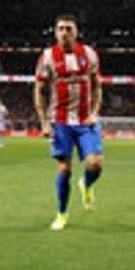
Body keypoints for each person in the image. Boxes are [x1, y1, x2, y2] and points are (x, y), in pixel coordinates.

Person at [34, 14, 103, 231]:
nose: (65, 32)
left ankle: (87, 184)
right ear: (55, 32)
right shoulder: (47, 57)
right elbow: (39, 90)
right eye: (61, 28)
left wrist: (94, 112)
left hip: (85, 121)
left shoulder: (89, 54)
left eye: (69, 29)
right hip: (60, 121)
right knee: (64, 169)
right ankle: (62, 214)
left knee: (95, 164)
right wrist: (44, 122)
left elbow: (97, 86)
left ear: (76, 32)